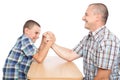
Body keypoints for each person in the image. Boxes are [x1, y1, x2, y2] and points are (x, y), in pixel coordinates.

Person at [51, 3, 120, 80]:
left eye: (86, 15)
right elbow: (70, 55)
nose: (83, 18)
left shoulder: (108, 41)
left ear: (97, 17)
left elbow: (102, 78)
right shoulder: (88, 38)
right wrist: (51, 43)